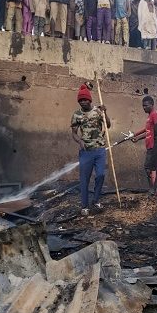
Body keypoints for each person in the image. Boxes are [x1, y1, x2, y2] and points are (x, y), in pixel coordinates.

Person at [71, 83, 111, 215]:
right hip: (86, 151)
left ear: (90, 100)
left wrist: (105, 112)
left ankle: (96, 200)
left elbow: (108, 125)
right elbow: (74, 133)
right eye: (80, 100)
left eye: (85, 100)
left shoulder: (98, 111)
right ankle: (84, 206)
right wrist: (79, 141)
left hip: (99, 150)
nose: (83, 102)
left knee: (100, 175)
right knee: (84, 179)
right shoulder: (76, 115)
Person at [131, 95, 157, 194]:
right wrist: (135, 135)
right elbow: (147, 129)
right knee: (151, 168)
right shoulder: (150, 116)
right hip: (150, 147)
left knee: (148, 168)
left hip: (153, 147)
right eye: (143, 106)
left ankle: (153, 189)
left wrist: (138, 137)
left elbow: (155, 130)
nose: (144, 107)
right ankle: (154, 188)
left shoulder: (154, 115)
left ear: (152, 105)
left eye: (146, 105)